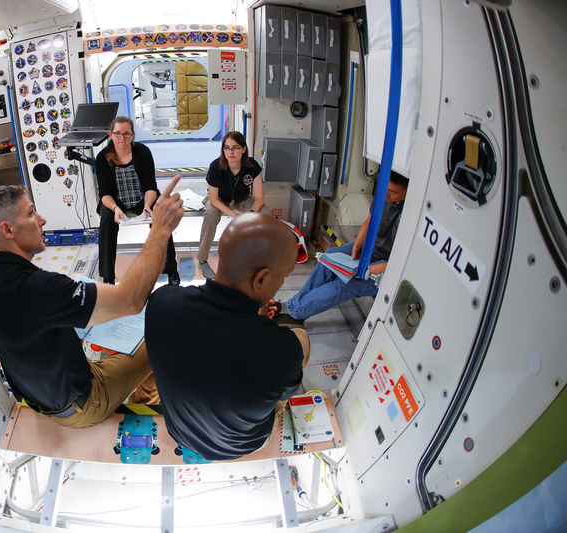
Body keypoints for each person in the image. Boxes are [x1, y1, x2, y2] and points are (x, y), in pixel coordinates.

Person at [0, 178, 184, 429]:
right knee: (164, 331)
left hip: (44, 397)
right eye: (31, 213)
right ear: (7, 230)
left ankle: (141, 393)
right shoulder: (38, 288)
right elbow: (131, 300)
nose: (42, 220)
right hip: (82, 406)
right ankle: (148, 403)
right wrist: (160, 228)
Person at [145, 213, 311, 461]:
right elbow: (275, 382)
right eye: (284, 275)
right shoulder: (283, 351)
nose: (282, 282)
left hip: (181, 432)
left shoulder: (162, 303)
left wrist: (254, 320)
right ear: (261, 278)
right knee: (302, 338)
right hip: (238, 446)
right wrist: (262, 328)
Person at [283, 171, 409, 322]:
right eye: (385, 189)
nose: (387, 196)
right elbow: (369, 221)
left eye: (393, 192)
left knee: (344, 284)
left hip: (391, 267)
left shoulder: (412, 214)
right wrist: (356, 246)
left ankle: (293, 309)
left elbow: (405, 262)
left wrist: (366, 270)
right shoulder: (384, 196)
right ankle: (298, 308)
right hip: (372, 250)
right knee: (328, 258)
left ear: (409, 191)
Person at [95, 116, 180, 285]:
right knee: (106, 220)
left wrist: (148, 205)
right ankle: (108, 277)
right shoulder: (102, 158)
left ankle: (170, 269)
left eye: (127, 134)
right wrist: (114, 209)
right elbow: (104, 193)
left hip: (143, 199)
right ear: (110, 135)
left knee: (161, 213)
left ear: (133, 135)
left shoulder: (143, 152)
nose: (122, 138)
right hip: (116, 203)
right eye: (118, 133)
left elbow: (150, 186)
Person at [197, 131, 272, 280]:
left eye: (236, 147)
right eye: (227, 148)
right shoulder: (215, 167)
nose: (231, 152)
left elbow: (259, 198)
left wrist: (250, 214)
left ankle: (258, 258)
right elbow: (213, 200)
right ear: (223, 150)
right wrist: (236, 217)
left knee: (266, 213)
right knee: (211, 215)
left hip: (241, 199)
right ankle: (202, 259)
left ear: (244, 149)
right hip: (219, 200)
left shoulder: (252, 166)